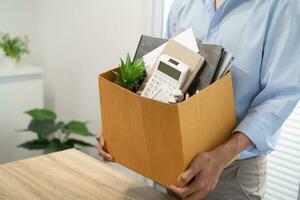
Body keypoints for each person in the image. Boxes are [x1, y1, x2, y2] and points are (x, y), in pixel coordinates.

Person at [97, 0, 300, 199]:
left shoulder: (282, 6)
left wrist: (221, 156)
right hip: (174, 164)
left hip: (232, 174)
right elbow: (159, 73)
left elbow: (279, 97)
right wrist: (122, 124)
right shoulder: (183, 4)